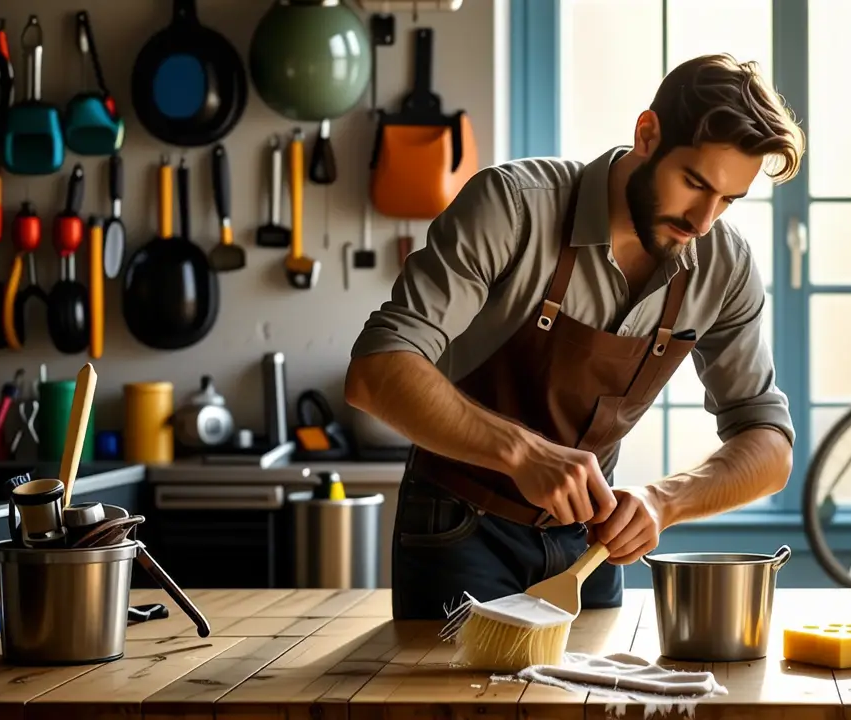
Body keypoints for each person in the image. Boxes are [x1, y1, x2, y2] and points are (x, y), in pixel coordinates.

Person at [344, 53, 805, 620]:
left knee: (589, 684)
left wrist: (663, 502)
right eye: (693, 183)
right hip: (457, 528)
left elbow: (769, 445)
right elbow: (377, 370)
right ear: (647, 134)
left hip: (590, 548)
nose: (703, 221)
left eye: (728, 200)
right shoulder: (512, 206)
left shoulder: (724, 266)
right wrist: (521, 453)